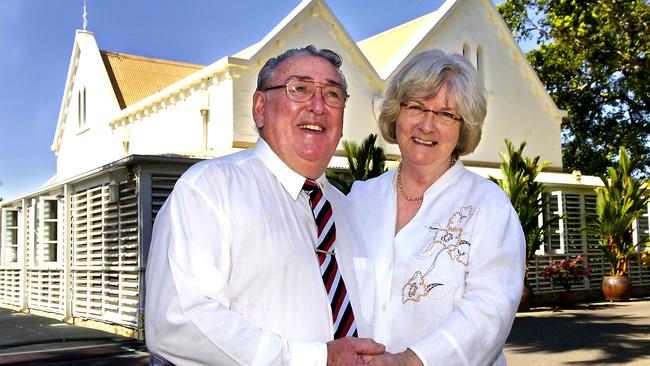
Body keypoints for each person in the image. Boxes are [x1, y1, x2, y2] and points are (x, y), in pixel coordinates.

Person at [145, 45, 384, 366]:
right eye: (299, 89)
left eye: (332, 94)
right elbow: (179, 323)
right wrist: (318, 359)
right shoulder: (209, 189)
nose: (318, 105)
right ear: (260, 107)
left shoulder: (346, 210)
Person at [349, 49, 525, 365]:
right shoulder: (359, 199)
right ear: (396, 113)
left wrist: (409, 361)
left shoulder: (489, 206)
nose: (427, 126)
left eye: (446, 114)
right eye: (416, 107)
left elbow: (489, 312)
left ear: (463, 128)